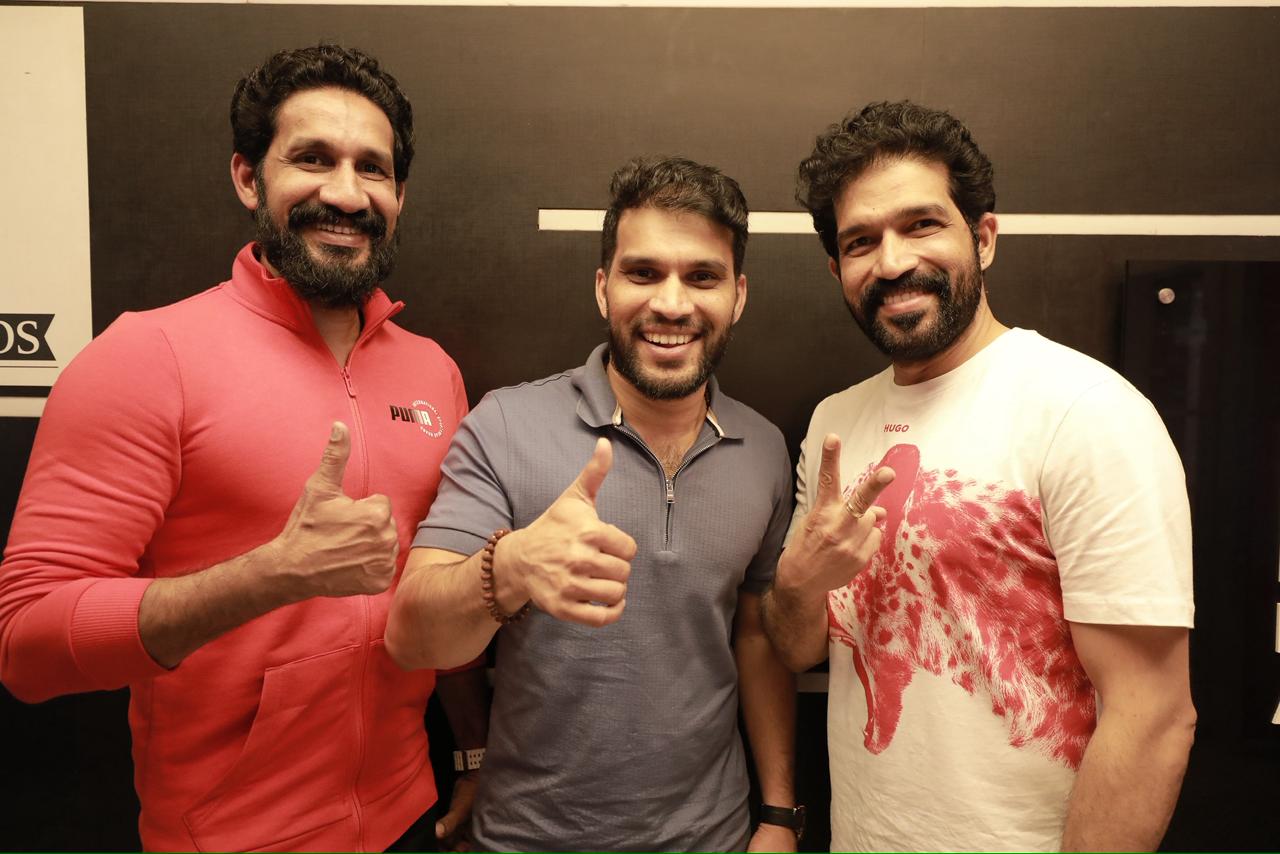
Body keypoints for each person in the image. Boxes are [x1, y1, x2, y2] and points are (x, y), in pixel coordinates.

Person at [0, 45, 486, 852]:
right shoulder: (149, 356)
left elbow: (441, 592)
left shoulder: (432, 370)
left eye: (372, 168)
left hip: (407, 813)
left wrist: (471, 749)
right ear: (248, 178)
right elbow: (27, 641)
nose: (346, 193)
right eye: (312, 158)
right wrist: (270, 576)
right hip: (232, 838)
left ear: (398, 195)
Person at [762, 101, 1196, 852]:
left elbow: (1153, 715)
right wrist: (799, 583)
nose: (891, 262)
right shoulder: (837, 422)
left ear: (984, 238)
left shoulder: (1086, 411)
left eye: (921, 225)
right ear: (838, 270)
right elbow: (800, 650)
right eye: (861, 241)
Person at [386, 156, 803, 852]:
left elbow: (756, 637)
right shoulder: (505, 426)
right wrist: (512, 567)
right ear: (604, 288)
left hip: (717, 838)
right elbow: (410, 638)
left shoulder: (762, 449)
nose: (672, 304)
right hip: (528, 839)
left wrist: (780, 813)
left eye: (702, 277)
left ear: (738, 296)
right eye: (644, 273)